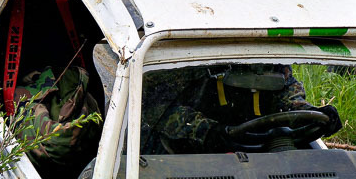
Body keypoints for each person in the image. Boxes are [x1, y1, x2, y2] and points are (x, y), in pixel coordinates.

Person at [142, 65, 341, 156]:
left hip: (259, 152)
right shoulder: (193, 61)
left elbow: (288, 96)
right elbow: (154, 108)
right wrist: (205, 130)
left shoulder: (273, 62)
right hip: (185, 158)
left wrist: (314, 114)